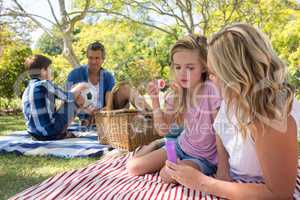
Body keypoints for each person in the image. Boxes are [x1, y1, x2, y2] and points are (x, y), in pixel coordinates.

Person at [165, 23, 299, 199]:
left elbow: (280, 194)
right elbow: (221, 131)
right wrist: (223, 172)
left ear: (236, 74)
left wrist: (203, 182)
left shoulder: (271, 117)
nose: (209, 80)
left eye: (213, 73)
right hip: (235, 184)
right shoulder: (231, 101)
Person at [126, 34, 222, 183]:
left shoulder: (212, 90)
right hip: (180, 146)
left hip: (204, 158)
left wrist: (223, 169)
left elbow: (221, 133)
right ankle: (157, 144)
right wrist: (155, 100)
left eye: (190, 67)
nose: (182, 73)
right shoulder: (176, 93)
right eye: (178, 67)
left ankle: (161, 149)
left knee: (166, 175)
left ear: (203, 66)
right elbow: (162, 130)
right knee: (133, 167)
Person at [22, 54, 86, 141]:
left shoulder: (27, 89)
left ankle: (59, 131)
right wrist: (81, 85)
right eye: (49, 68)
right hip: (49, 133)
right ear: (43, 70)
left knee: (58, 104)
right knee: (79, 99)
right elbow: (69, 97)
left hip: (34, 134)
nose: (51, 71)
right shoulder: (45, 83)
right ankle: (61, 133)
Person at [67, 41, 115, 125]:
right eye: (90, 58)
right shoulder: (74, 75)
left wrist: (102, 112)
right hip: (82, 117)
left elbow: (108, 106)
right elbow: (68, 101)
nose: (93, 62)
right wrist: (87, 112)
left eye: (97, 58)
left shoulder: (108, 77)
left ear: (103, 59)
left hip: (100, 118)